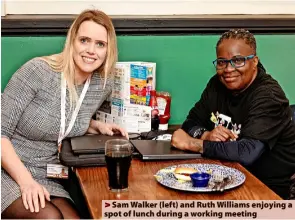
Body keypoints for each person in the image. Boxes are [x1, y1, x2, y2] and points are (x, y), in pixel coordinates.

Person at [1, 9, 128, 219]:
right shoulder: (37, 72)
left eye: (100, 44)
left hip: (47, 173)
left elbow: (64, 116)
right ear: (72, 41)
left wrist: (95, 126)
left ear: (108, 50)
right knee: (50, 217)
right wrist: (26, 183)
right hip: (8, 169)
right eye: (84, 40)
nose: (91, 50)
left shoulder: (100, 85)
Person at [171, 29, 295, 199]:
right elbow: (191, 121)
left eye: (238, 60)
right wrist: (206, 135)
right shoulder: (216, 84)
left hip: (265, 191)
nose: (228, 69)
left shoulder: (268, 96)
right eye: (222, 62)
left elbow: (247, 153)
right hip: (225, 178)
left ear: (254, 62)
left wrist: (193, 143)